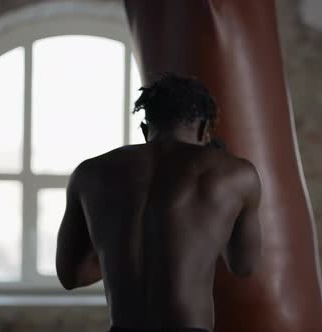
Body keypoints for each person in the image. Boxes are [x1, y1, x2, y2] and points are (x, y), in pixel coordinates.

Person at [56, 73, 262, 332]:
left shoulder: (89, 172)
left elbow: (71, 276)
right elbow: (243, 265)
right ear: (204, 129)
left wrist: (119, 251)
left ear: (145, 128)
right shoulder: (235, 173)